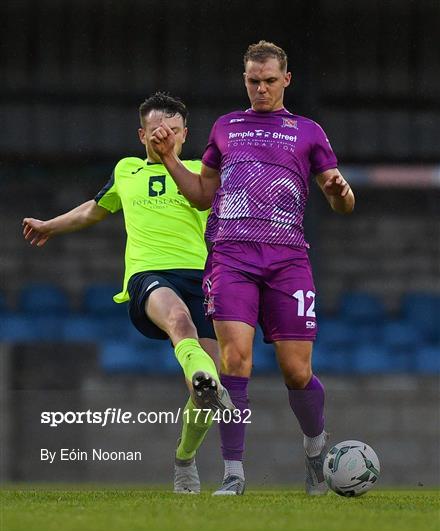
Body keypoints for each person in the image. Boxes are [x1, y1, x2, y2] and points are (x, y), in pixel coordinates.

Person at [150, 41, 355, 496]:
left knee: (296, 371)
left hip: (287, 260)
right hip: (231, 256)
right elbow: (203, 194)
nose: (260, 88)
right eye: (252, 81)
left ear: (286, 79)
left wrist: (341, 192)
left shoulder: (308, 132)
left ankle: (315, 446)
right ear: (244, 80)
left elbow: (341, 201)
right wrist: (167, 159)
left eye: (268, 80)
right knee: (234, 362)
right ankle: (234, 474)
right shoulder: (226, 128)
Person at [22, 91, 235, 495]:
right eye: (156, 130)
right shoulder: (127, 172)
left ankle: (185, 457)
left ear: (185, 134)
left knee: (201, 387)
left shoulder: (201, 174)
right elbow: (94, 209)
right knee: (178, 321)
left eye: (172, 130)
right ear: (141, 135)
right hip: (149, 275)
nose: (164, 136)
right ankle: (206, 377)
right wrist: (50, 225)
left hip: (203, 277)